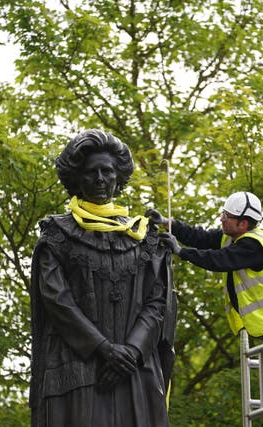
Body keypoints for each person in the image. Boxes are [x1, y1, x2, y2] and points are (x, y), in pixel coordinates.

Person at [29, 129, 176, 427]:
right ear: (76, 179)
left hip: (136, 370)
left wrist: (132, 351)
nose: (99, 179)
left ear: (118, 177)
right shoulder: (57, 236)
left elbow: (157, 300)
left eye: (107, 171)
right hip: (78, 370)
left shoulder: (142, 237)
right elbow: (58, 302)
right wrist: (103, 349)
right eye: (90, 172)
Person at [146, 191, 263, 427]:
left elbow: (219, 260)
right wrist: (167, 223)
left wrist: (180, 251)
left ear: (243, 224)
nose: (222, 219)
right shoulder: (230, 237)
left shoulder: (253, 244)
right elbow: (200, 237)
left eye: (227, 216)